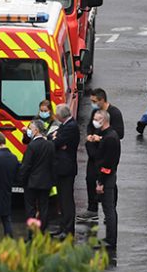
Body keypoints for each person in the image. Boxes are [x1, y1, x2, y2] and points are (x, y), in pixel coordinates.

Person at [76, 89, 124, 224]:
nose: (92, 104)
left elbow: (119, 133)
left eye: (94, 101)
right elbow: (90, 127)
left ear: (102, 100)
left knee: (109, 183)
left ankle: (110, 212)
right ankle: (92, 209)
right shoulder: (95, 112)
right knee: (90, 179)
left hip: (107, 154)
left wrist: (100, 138)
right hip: (94, 153)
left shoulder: (114, 113)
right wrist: (90, 136)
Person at [87, 109, 121, 262]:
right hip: (107, 177)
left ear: (105, 120)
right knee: (108, 210)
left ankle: (110, 240)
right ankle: (109, 238)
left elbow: (107, 163)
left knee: (109, 210)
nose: (95, 121)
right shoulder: (107, 136)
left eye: (98, 119)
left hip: (106, 179)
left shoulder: (109, 138)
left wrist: (100, 182)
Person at [18, 121, 55, 237]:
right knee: (44, 207)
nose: (30, 131)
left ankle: (31, 234)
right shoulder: (50, 145)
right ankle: (42, 232)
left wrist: (21, 180)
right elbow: (53, 164)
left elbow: (26, 165)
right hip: (46, 182)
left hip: (32, 183)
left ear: (36, 131)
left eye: (31, 129)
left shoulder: (32, 146)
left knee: (30, 209)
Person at [48, 104, 79, 238]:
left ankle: (68, 230)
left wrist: (56, 139)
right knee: (61, 200)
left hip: (66, 169)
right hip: (61, 168)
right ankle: (63, 228)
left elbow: (55, 142)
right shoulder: (66, 125)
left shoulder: (70, 127)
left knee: (66, 201)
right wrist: (55, 139)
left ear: (61, 116)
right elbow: (52, 138)